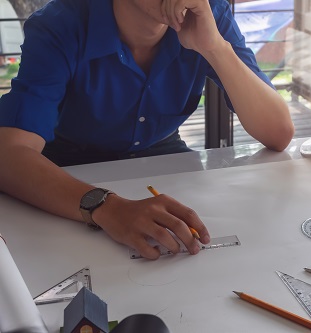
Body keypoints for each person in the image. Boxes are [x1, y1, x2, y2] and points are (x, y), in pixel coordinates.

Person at [0, 0, 294, 260]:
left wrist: (215, 48)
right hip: (72, 161)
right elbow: (10, 154)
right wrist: (107, 207)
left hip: (162, 148)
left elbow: (278, 133)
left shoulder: (208, 14)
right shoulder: (61, 24)